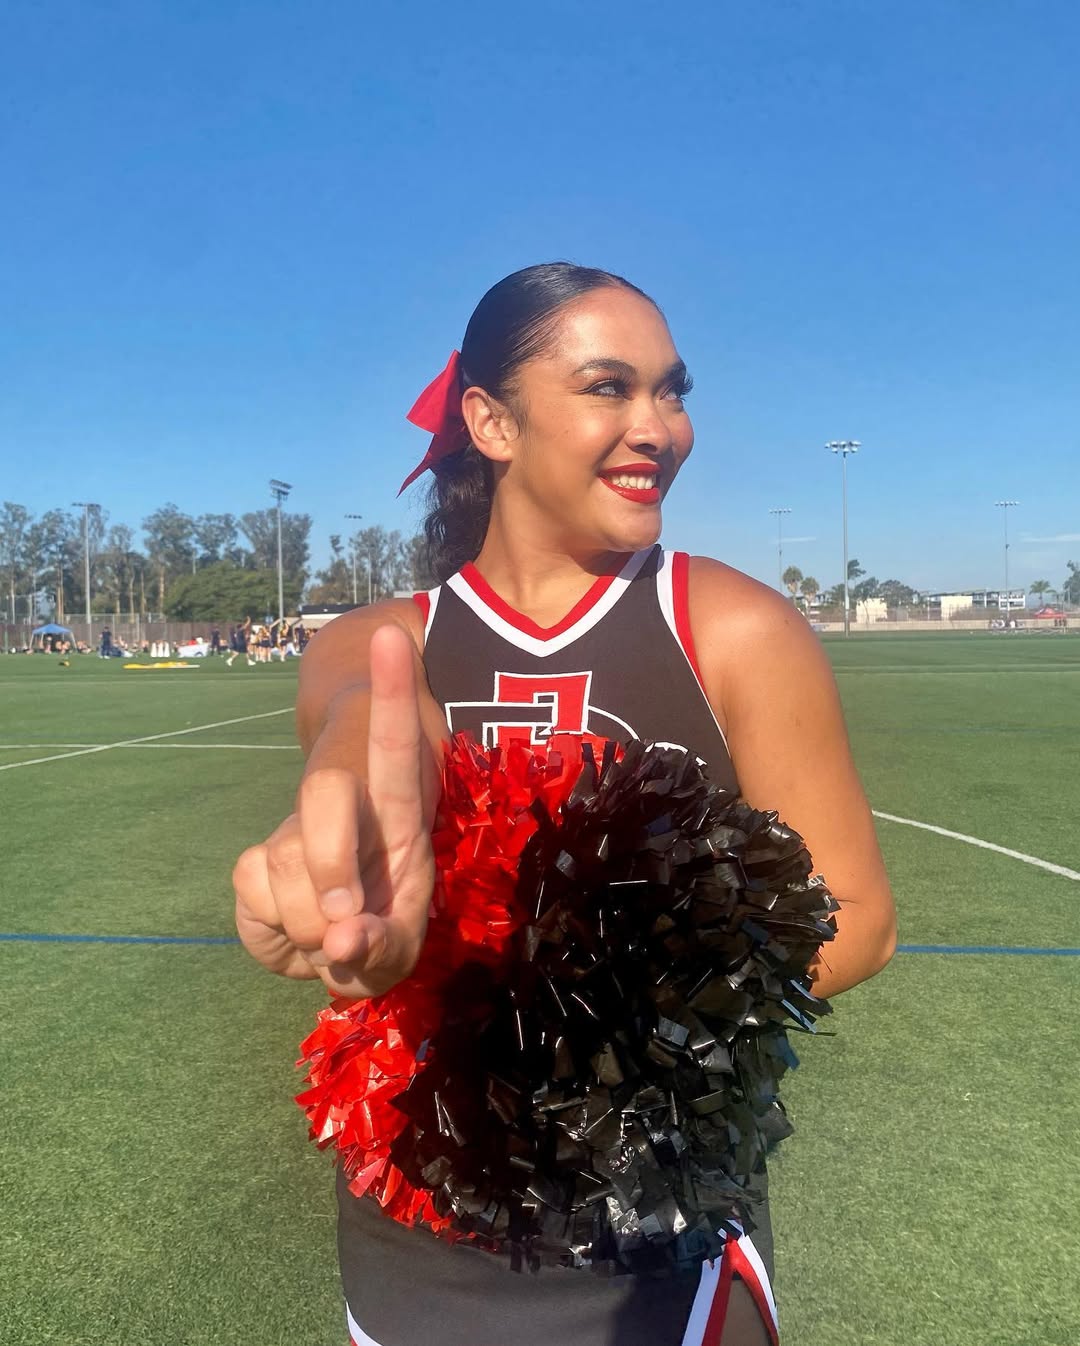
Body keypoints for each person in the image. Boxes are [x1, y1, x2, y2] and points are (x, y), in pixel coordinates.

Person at [233, 263, 897, 1346]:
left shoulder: (735, 627)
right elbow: (379, 718)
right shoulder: (377, 641)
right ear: (491, 422)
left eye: (671, 391)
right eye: (608, 387)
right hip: (414, 1253)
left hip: (662, 1254)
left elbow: (856, 915)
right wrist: (344, 808)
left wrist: (606, 1027)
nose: (658, 428)